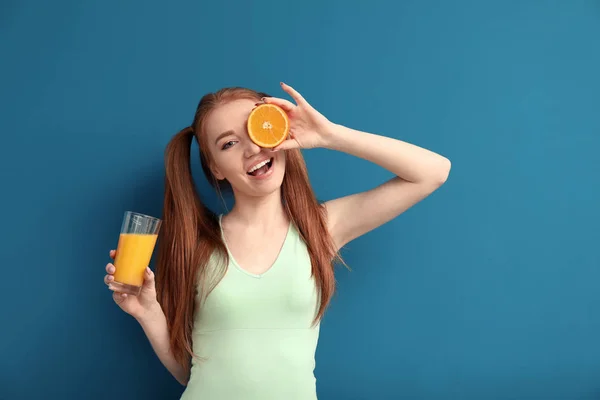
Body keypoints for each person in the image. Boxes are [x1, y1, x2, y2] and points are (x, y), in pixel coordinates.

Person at [104, 82, 451, 399]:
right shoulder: (197, 245)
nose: (252, 148)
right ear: (216, 169)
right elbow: (190, 374)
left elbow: (432, 172)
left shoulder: (321, 228)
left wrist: (329, 135)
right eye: (228, 143)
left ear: (280, 132)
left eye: (258, 128)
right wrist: (148, 312)